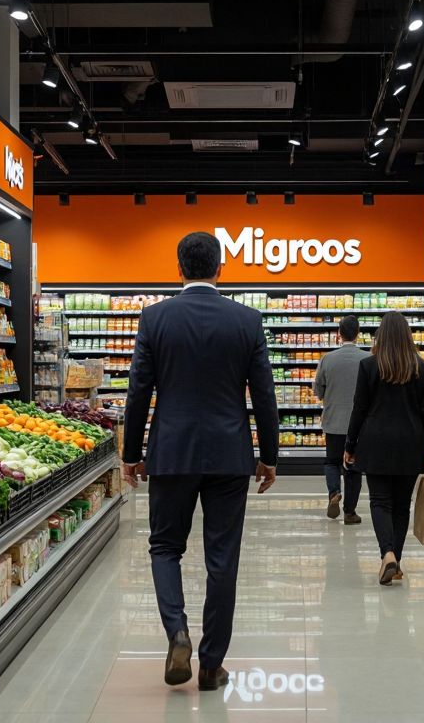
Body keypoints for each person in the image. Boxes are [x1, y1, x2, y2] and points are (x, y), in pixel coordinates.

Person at [121, 231, 279, 691]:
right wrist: (268, 456)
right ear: (220, 268)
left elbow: (139, 393)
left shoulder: (155, 319)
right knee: (222, 558)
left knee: (165, 547)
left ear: (178, 269)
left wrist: (132, 453)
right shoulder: (247, 321)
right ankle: (211, 664)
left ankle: (177, 633)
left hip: (170, 452)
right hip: (230, 455)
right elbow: (265, 396)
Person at [344, 311, 424, 586]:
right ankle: (394, 558)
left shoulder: (369, 366)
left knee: (379, 501)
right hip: (410, 443)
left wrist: (350, 445)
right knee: (400, 506)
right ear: (408, 336)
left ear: (380, 336)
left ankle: (387, 555)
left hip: (375, 443)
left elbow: (359, 409)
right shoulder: (420, 368)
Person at [313, 315, 369, 524]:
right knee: (353, 468)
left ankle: (334, 492)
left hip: (333, 420)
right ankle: (350, 512)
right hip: (359, 424)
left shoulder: (328, 359)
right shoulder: (367, 358)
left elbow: (318, 390)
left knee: (332, 461)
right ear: (358, 334)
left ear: (339, 333)